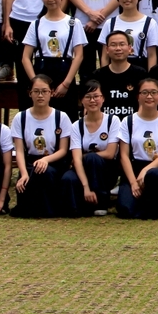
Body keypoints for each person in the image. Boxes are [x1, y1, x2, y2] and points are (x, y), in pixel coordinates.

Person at [21, 0, 87, 114]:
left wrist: (66, 83)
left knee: (67, 117)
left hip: (65, 75)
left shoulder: (74, 23)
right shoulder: (36, 24)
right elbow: (25, 57)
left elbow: (79, 55)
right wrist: (36, 84)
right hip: (42, 72)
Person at [10, 74, 72, 218]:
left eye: (44, 91)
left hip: (54, 163)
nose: (40, 95)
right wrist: (23, 173)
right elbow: (19, 150)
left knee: (44, 171)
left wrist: (45, 160)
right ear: (29, 93)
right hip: (30, 164)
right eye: (36, 91)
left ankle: (48, 209)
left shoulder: (61, 117)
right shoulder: (21, 118)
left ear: (51, 93)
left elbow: (63, 150)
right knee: (28, 180)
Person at [117, 77, 158, 220]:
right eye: (144, 92)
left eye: (153, 92)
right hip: (134, 169)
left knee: (155, 175)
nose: (149, 96)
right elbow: (124, 155)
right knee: (125, 209)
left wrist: (146, 171)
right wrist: (133, 182)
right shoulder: (128, 121)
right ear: (138, 96)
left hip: (157, 169)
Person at [59, 81, 120, 217]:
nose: (92, 100)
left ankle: (101, 202)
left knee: (92, 158)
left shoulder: (113, 121)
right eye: (88, 97)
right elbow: (76, 160)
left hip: (106, 170)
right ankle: (79, 207)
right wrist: (86, 187)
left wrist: (85, 156)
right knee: (68, 178)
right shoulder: (76, 126)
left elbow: (110, 154)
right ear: (81, 100)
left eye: (96, 96)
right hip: (83, 168)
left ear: (103, 98)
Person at [99, 0, 158, 70]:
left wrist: (150, 77)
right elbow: (105, 56)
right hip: (115, 70)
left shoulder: (150, 23)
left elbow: (152, 55)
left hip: (140, 69)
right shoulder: (110, 23)